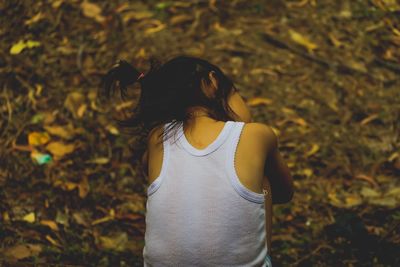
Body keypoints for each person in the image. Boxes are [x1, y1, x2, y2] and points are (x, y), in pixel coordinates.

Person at [101, 56, 294, 266]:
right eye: (236, 93)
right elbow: (284, 192)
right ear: (212, 82)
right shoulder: (255, 135)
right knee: (262, 180)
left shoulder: (157, 139)